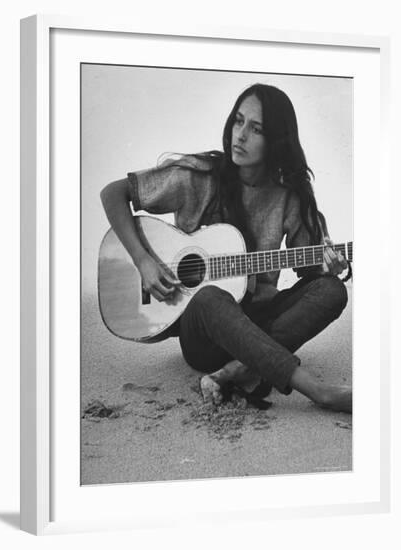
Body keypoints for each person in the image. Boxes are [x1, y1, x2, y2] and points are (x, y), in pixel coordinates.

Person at [100, 83, 352, 414]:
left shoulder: (290, 196)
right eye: (238, 121)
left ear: (276, 139)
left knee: (331, 291)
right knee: (209, 296)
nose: (241, 135)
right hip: (204, 336)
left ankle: (234, 371)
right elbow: (113, 193)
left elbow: (310, 272)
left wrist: (328, 265)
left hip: (259, 324)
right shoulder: (199, 177)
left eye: (256, 128)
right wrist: (144, 261)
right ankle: (319, 392)